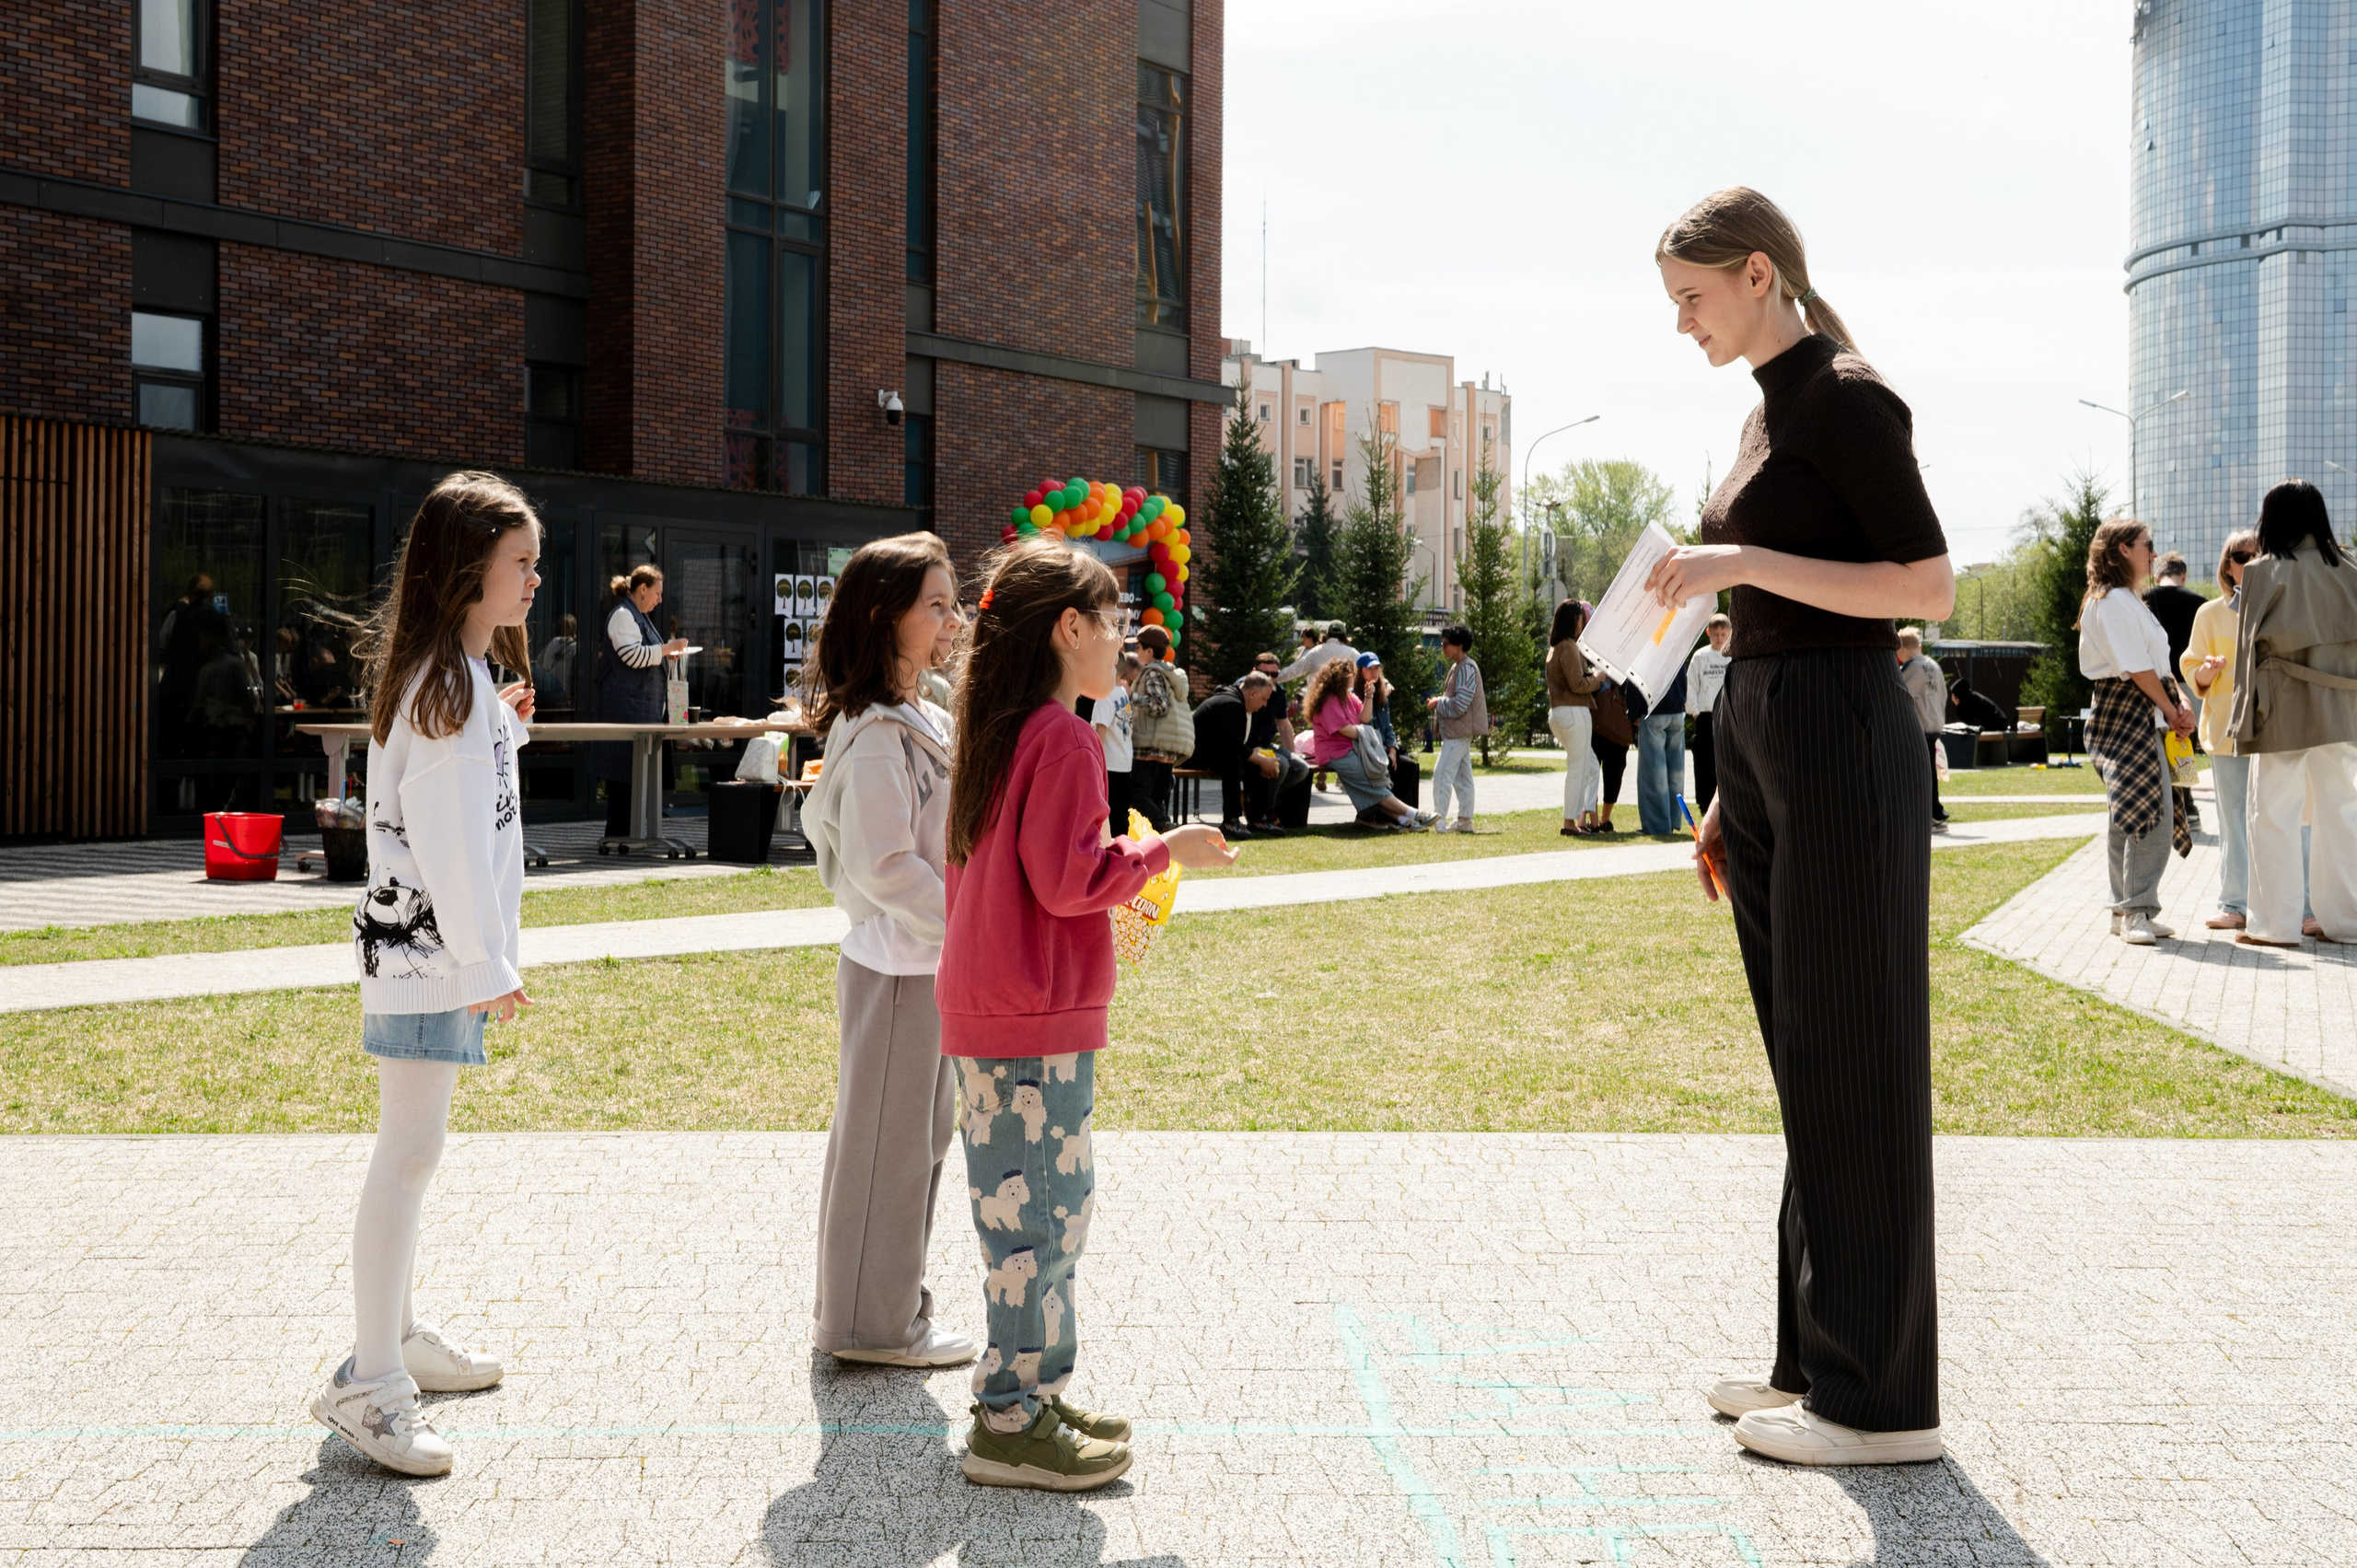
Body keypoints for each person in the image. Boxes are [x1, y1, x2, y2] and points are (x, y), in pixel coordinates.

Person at [1651, 187, 1954, 1466]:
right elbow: (1772, 607)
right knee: (1805, 1054)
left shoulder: (1846, 394)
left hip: (1840, 725)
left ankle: (1882, 1403)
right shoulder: (1764, 409)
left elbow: (1925, 583)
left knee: (1854, 1052)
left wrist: (1739, 568)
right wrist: (1730, 784)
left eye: (1693, 299)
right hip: (1772, 729)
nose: (1683, 325)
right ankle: (1813, 1360)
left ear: (1760, 273)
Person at [935, 538, 1235, 1491]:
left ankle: (1033, 1392)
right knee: (1043, 1224)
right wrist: (1163, 850)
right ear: (1067, 628)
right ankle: (1010, 1418)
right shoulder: (1060, 735)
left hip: (1002, 1011)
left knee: (1031, 1217)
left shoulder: (1008, 727)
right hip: (1032, 1019)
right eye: (1111, 621)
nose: (1124, 641)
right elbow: (1069, 882)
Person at [314, 472, 541, 1477]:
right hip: (428, 959)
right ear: (467, 574)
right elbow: (447, 845)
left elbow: (452, 803)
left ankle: (392, 1338)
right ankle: (371, 1378)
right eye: (520, 563)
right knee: (408, 1155)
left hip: (424, 956)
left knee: (412, 1153)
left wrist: (510, 727)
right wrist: (487, 963)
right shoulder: (451, 688)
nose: (535, 579)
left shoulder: (458, 681)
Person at [798, 532, 976, 1372]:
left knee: (915, 1142)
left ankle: (885, 1312)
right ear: (884, 614)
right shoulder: (877, 731)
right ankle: (870, 1325)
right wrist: (969, 926)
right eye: (934, 603)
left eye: (951, 600)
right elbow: (883, 864)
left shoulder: (923, 716)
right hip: (897, 965)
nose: (952, 618)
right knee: (887, 1149)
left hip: (922, 963)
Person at [2229, 480, 2357, 947]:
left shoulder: (2263, 572)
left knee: (2273, 813)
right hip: (2344, 708)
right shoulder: (2349, 569)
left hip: (2280, 706)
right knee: (2342, 813)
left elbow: (2246, 654)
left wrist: (2241, 721)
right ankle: (2348, 923)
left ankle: (2275, 926)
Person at [2080, 518, 2198, 945]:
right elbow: (2136, 668)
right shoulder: (2110, 601)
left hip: (2144, 711)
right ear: (2123, 549)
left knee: (2127, 816)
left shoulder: (2129, 599)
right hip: (2124, 713)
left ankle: (2128, 908)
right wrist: (2171, 708)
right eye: (2148, 545)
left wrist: (2179, 704)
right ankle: (2135, 910)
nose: (2153, 553)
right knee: (2150, 814)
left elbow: (2159, 668)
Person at [2182, 530, 2260, 929]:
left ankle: (2303, 907)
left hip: (2274, 732)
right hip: (2226, 731)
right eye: (2241, 556)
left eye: (2257, 554)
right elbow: (2190, 666)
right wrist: (2205, 673)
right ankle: (2234, 904)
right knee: (2232, 819)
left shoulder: (2280, 607)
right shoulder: (2209, 613)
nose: (2249, 561)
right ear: (2228, 565)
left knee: (2292, 818)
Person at [590, 564, 690, 840]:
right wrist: (667, 649)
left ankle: (627, 838)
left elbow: (645, 653)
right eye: (657, 593)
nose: (659, 599)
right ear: (642, 590)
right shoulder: (623, 615)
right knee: (624, 783)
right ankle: (618, 840)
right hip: (626, 713)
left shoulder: (639, 616)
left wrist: (665, 654)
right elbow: (632, 656)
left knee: (632, 783)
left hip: (636, 713)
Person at [1303, 656, 1434, 830]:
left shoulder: (1348, 697)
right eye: (1350, 674)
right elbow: (1344, 729)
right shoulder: (1329, 700)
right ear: (1340, 677)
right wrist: (1367, 733)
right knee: (1371, 782)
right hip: (1335, 753)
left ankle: (1403, 821)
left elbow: (1364, 719)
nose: (1353, 677)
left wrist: (1368, 697)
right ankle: (1415, 814)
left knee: (1374, 781)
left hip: (1353, 749)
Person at [1186, 671, 1291, 838]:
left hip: (1222, 752)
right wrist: (1261, 760)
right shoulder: (1230, 704)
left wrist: (1260, 755)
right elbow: (1231, 744)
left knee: (1251, 761)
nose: (1265, 705)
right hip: (1197, 756)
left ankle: (1258, 817)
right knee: (1234, 761)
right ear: (1253, 693)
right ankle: (1231, 820)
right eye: (1264, 699)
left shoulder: (1249, 708)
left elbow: (1251, 741)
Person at [1545, 598, 1605, 834]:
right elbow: (1578, 684)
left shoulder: (1556, 646)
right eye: (1582, 618)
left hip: (1559, 712)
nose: (1585, 622)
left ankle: (1584, 817)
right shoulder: (1569, 646)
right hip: (1574, 711)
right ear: (1574, 620)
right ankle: (1570, 823)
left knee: (1589, 767)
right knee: (1579, 768)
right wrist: (1598, 678)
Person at [1126, 624, 1193, 832]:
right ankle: (1160, 831)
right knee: (1156, 797)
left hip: (1151, 744)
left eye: (1138, 648)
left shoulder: (1152, 673)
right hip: (1166, 747)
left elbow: (1159, 705)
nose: (1136, 652)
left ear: (1149, 651)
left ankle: (1164, 825)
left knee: (1137, 794)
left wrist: (1131, 695)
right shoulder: (1171, 673)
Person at [1423, 626, 1486, 830]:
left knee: (1441, 774)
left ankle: (1438, 821)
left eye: (1445, 644)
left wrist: (1438, 703)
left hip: (1459, 732)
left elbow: (1460, 705)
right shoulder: (1458, 666)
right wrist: (1440, 702)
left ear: (1459, 646)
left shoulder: (1466, 668)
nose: (1442, 648)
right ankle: (1465, 821)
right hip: (1458, 731)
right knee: (1462, 776)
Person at [1896, 629, 1950, 833]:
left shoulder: (1913, 669)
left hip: (1919, 727)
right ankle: (1935, 812)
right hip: (1934, 723)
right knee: (1928, 772)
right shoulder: (1933, 665)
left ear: (1901, 650)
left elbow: (1898, 691)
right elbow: (1943, 694)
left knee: (1919, 774)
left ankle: (1933, 814)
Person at [1687, 613, 1734, 815]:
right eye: (1715, 634)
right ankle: (1704, 804)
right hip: (1705, 715)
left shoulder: (1732, 656)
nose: (1719, 638)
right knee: (1704, 762)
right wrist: (1695, 712)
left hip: (1728, 715)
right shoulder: (1700, 656)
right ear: (1708, 633)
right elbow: (1690, 685)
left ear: (1729, 633)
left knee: (1726, 761)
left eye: (1723, 634)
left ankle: (1727, 803)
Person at [1636, 660, 1690, 835]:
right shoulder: (1675, 640)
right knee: (1676, 772)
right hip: (1676, 709)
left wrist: (1634, 710)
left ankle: (1658, 825)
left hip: (1654, 709)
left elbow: (1637, 676)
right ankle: (1674, 820)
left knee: (1653, 772)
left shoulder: (1649, 643)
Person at [1096, 652, 1136, 827]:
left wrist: (1093, 760)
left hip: (1110, 763)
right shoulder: (1122, 693)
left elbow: (1100, 731)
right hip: (1124, 761)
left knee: (1110, 818)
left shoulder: (1105, 695)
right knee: (1121, 816)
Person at [1591, 675, 1635, 831]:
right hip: (1598, 730)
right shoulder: (1597, 671)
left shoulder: (1628, 679)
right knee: (1593, 776)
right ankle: (1596, 820)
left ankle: (1604, 820)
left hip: (1616, 735)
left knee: (1613, 777)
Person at [1278, 621, 1358, 682]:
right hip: (1343, 701)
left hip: (1318, 701)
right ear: (1344, 636)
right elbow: (1366, 670)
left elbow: (1294, 670)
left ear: (1327, 634)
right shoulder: (1352, 653)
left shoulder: (1315, 652)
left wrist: (1274, 677)